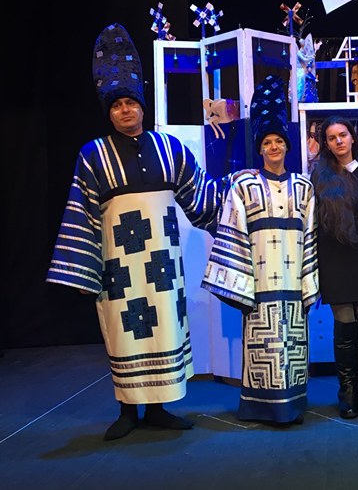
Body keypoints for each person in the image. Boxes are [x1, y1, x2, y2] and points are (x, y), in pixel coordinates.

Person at [46, 23, 237, 441]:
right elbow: (81, 214)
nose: (125, 111)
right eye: (117, 106)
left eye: (131, 103)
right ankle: (128, 411)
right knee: (125, 335)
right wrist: (86, 270)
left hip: (162, 268)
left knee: (164, 329)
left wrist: (239, 187)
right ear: (109, 112)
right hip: (119, 271)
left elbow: (203, 197)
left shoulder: (171, 149)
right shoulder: (93, 155)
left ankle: (158, 409)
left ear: (143, 107)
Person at [201, 75, 319, 425]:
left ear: (287, 146)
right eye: (267, 142)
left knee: (293, 347)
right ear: (260, 147)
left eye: (278, 141)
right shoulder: (244, 184)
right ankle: (260, 407)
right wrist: (242, 284)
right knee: (261, 349)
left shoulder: (304, 186)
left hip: (292, 283)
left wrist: (308, 283)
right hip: (260, 284)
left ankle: (292, 406)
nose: (273, 147)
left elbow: (310, 236)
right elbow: (233, 231)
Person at [310, 116, 358, 418]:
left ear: (353, 137)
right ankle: (347, 391)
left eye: (343, 135)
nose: (339, 141)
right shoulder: (319, 173)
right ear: (326, 144)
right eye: (332, 138)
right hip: (333, 258)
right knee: (344, 327)